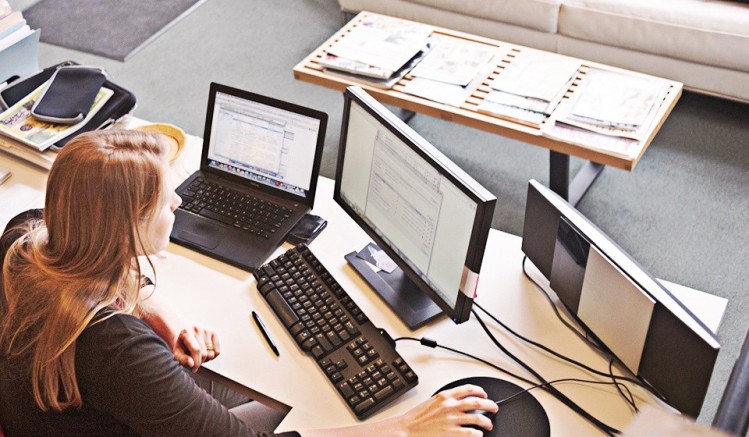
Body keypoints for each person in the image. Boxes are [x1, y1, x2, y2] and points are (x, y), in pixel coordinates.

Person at [0, 129, 498, 436]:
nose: (177, 203)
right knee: (294, 408)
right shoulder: (116, 350)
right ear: (126, 225)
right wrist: (408, 428)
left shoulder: (25, 238)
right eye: (162, 199)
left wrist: (158, 314)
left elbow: (115, 279)